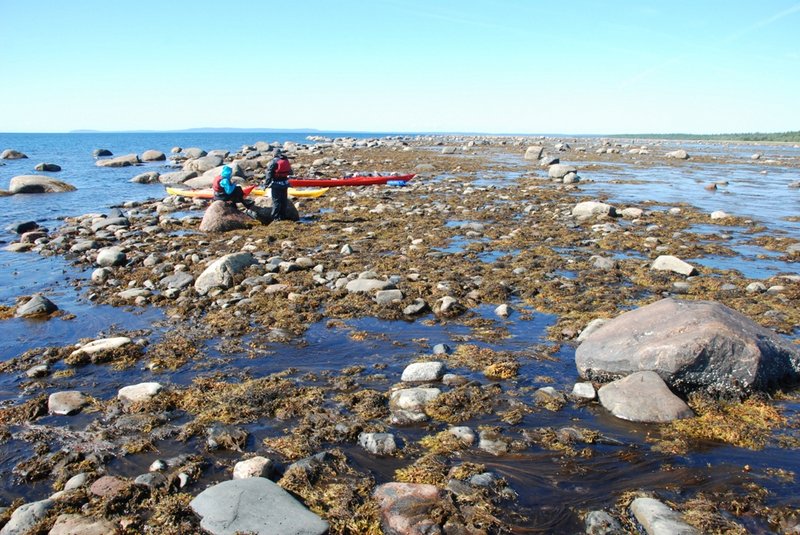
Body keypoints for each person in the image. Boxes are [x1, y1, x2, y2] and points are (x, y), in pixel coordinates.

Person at [264, 149, 292, 221]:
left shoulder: (273, 162)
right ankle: (283, 216)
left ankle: (275, 217)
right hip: (285, 183)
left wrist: (266, 185)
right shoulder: (285, 160)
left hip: (276, 184)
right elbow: (290, 172)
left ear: (274, 154)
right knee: (283, 200)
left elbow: (269, 174)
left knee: (276, 201)